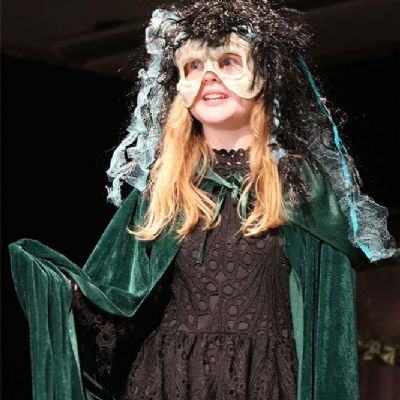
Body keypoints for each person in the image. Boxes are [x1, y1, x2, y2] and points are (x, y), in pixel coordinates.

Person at [8, 1, 399, 399]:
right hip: (169, 380)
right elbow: (117, 306)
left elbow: (329, 327)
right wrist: (64, 291)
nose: (209, 76)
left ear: (265, 76)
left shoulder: (301, 186)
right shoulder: (166, 186)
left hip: (265, 381)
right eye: (193, 66)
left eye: (228, 62)